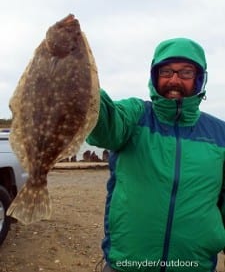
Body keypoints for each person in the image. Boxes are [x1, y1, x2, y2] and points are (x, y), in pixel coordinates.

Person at [87, 37, 225, 272]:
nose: (174, 79)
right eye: (166, 71)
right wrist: (79, 79)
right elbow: (104, 124)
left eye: (186, 72)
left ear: (199, 78)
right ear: (154, 75)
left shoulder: (220, 134)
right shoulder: (135, 116)